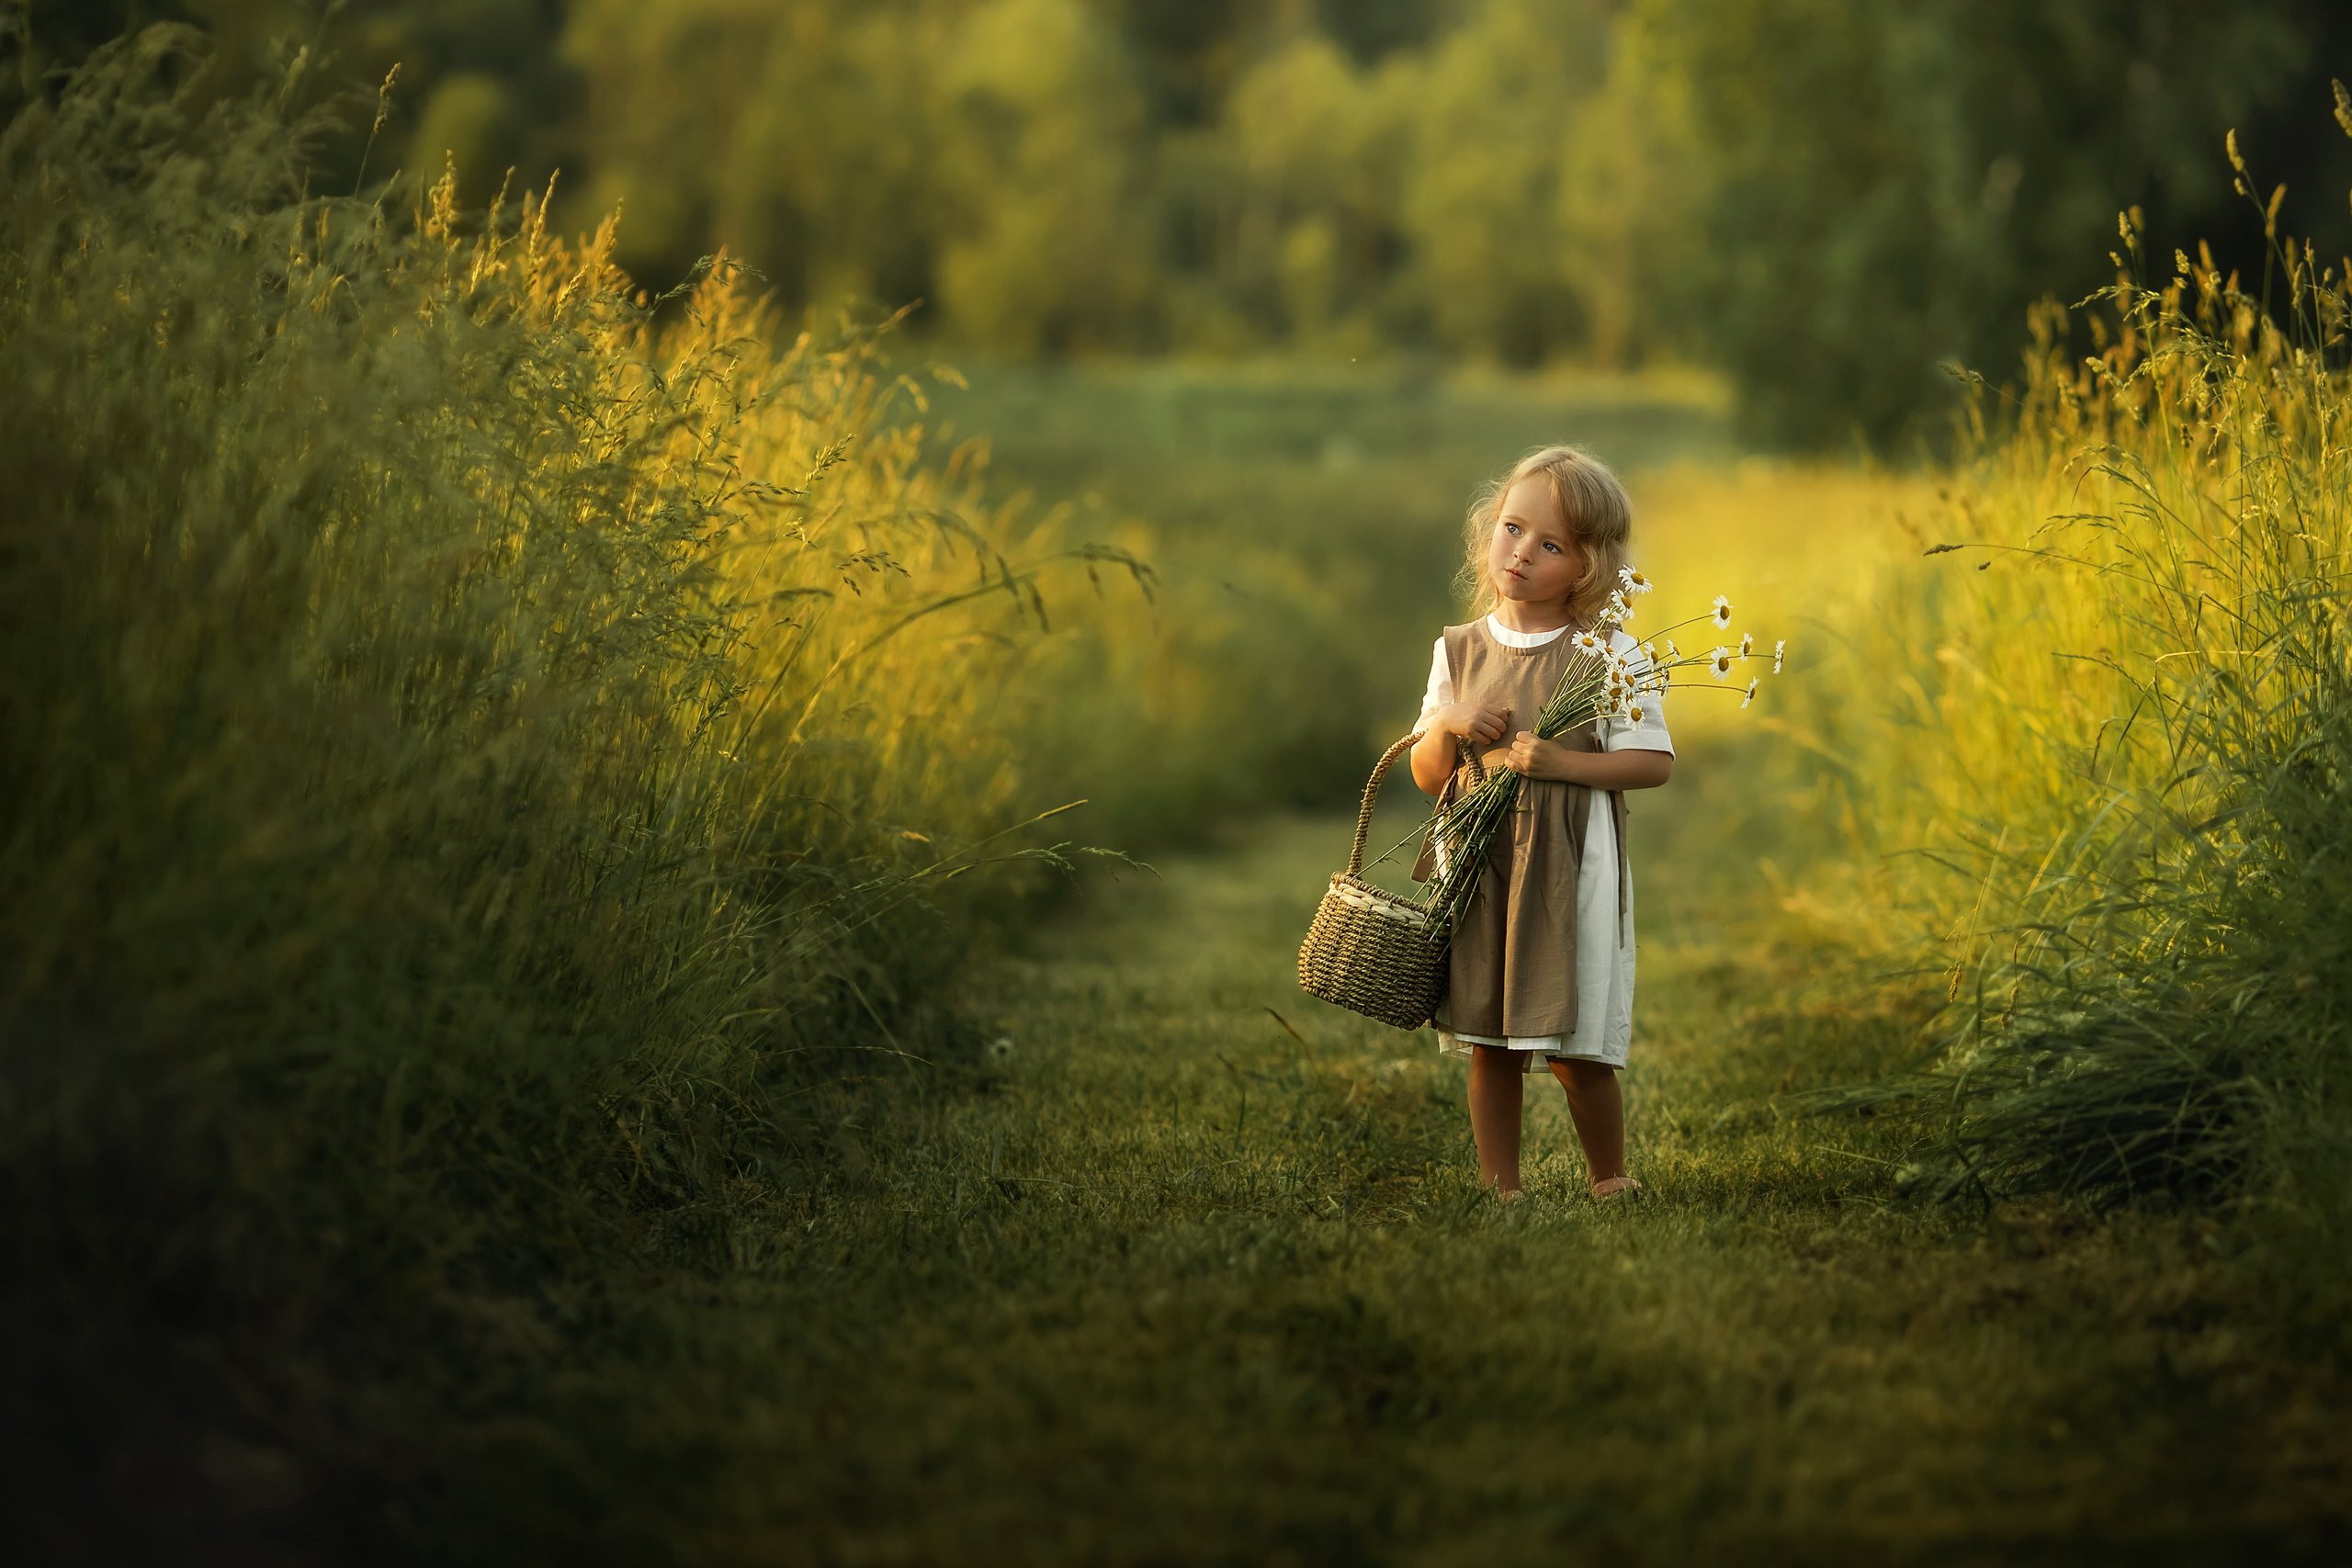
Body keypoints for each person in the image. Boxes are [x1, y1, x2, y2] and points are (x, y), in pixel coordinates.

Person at [1408, 446, 1674, 1201]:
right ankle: (1503, 1188)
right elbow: (1429, 776)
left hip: (1568, 870)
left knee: (1574, 1048)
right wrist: (1449, 723)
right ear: (1490, 528)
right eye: (1512, 528)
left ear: (1588, 566)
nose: (1521, 552)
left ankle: (1608, 1175)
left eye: (1550, 544)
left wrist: (1565, 765)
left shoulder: (1608, 652)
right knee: (1488, 1042)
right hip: (1482, 867)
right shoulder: (1457, 649)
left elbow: (1652, 762)